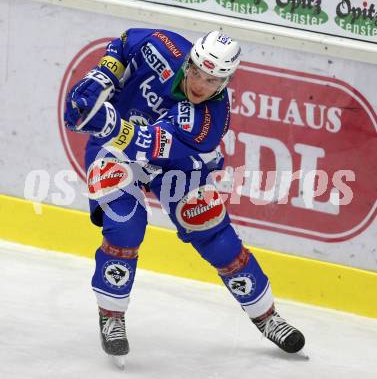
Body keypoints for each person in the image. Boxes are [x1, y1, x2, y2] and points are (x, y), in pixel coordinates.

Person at [64, 28, 305, 367]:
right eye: (196, 72)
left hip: (172, 162)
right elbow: (123, 43)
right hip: (113, 153)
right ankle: (112, 314)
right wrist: (104, 73)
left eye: (212, 80)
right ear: (188, 60)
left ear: (225, 83)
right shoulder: (163, 45)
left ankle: (266, 316)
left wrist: (102, 119)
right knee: (126, 226)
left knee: (212, 231)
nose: (200, 84)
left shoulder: (210, 120)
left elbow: (147, 143)